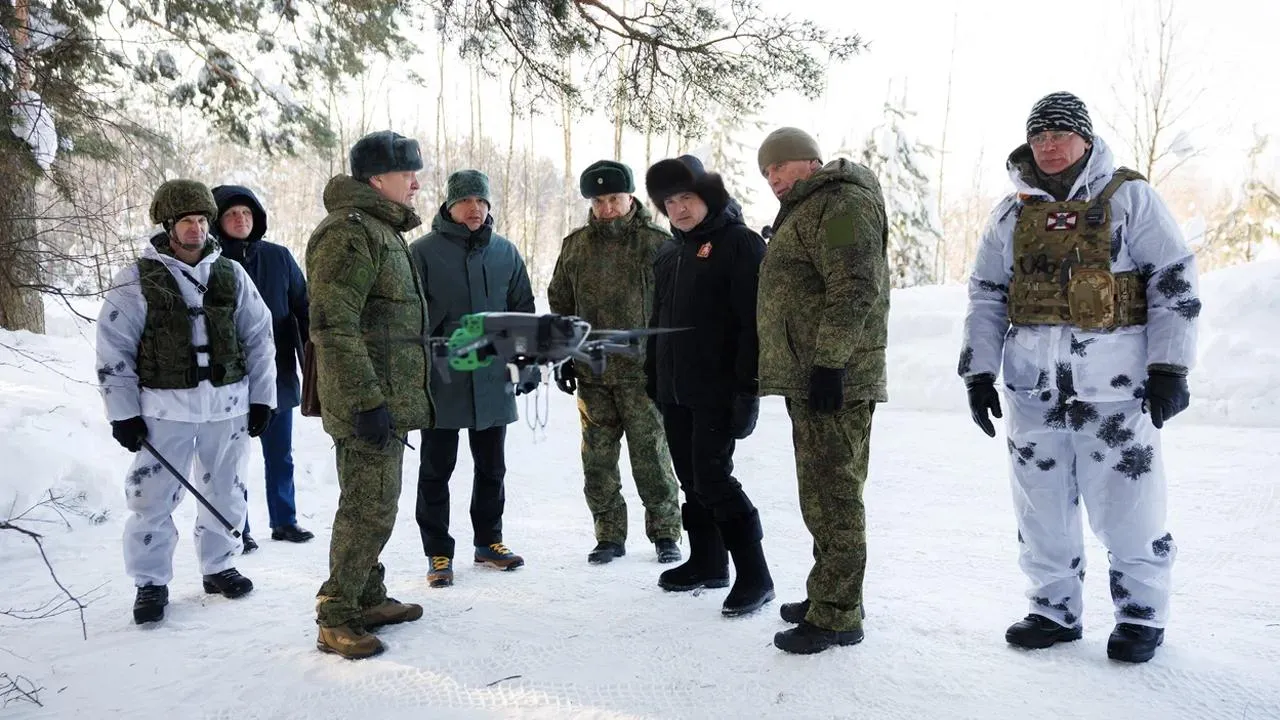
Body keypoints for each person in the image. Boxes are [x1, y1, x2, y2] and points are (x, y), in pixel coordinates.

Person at [959, 92, 1201, 664]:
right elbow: (987, 295)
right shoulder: (1011, 212)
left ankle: (1141, 614)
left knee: (1129, 505)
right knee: (1040, 506)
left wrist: (1169, 367)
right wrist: (978, 373)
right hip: (1033, 390)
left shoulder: (1130, 198)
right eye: (1038, 135)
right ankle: (1053, 609)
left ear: (1085, 139)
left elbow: (1173, 278)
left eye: (1060, 134)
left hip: (1113, 388)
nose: (1048, 145)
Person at [95, 179, 277, 625]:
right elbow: (114, 347)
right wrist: (123, 414)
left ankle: (219, 566)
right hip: (164, 410)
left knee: (227, 488)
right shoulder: (137, 280)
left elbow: (259, 338)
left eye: (201, 220)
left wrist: (262, 399)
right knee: (152, 497)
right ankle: (150, 581)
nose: (196, 229)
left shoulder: (231, 274)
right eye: (186, 222)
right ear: (167, 226)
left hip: (227, 407)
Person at [755, 128, 890, 654]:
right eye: (766, 172)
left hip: (835, 377)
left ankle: (837, 615)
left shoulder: (840, 205)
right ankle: (828, 595)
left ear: (808, 161)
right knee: (820, 495)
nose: (772, 179)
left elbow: (855, 283)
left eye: (778, 167)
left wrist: (830, 362)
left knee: (834, 496)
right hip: (813, 374)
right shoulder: (810, 207)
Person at [306, 130, 434, 659]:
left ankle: (367, 595)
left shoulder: (380, 230)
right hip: (367, 402)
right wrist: (367, 401)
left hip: (386, 398)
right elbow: (333, 325)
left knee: (378, 503)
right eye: (408, 174)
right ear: (378, 179)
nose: (416, 184)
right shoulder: (349, 232)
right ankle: (336, 614)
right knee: (366, 508)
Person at [643, 155, 773, 617]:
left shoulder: (740, 244)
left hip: (719, 389)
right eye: (669, 202)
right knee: (690, 479)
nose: (679, 208)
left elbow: (753, 326)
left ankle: (755, 576)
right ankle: (708, 561)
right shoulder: (670, 253)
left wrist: (748, 390)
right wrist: (653, 374)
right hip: (675, 388)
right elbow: (659, 320)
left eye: (688, 198)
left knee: (714, 479)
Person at [547, 159, 683, 566]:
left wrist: (668, 362)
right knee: (598, 461)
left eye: (614, 199)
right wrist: (563, 355)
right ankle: (608, 535)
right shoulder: (576, 246)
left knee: (652, 458)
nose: (606, 209)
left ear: (630, 198)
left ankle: (665, 532)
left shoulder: (657, 244)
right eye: (598, 201)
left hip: (643, 375)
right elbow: (560, 304)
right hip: (593, 375)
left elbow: (675, 307)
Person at [409, 168, 536, 588]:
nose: (474, 208)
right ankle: (438, 552)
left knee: (492, 467)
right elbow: (409, 317)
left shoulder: (505, 252)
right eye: (465, 201)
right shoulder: (422, 253)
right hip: (442, 378)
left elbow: (522, 311)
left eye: (481, 201)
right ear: (449, 206)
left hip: (493, 378)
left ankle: (489, 541)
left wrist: (525, 362)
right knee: (436, 470)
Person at [211, 184, 314, 552]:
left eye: (246, 213)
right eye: (231, 214)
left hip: (277, 372)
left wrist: (314, 356)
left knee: (280, 454)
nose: (240, 219)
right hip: (228, 378)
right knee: (232, 459)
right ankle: (239, 527)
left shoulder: (279, 257)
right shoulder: (209, 263)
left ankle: (284, 520)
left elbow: (304, 307)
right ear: (218, 221)